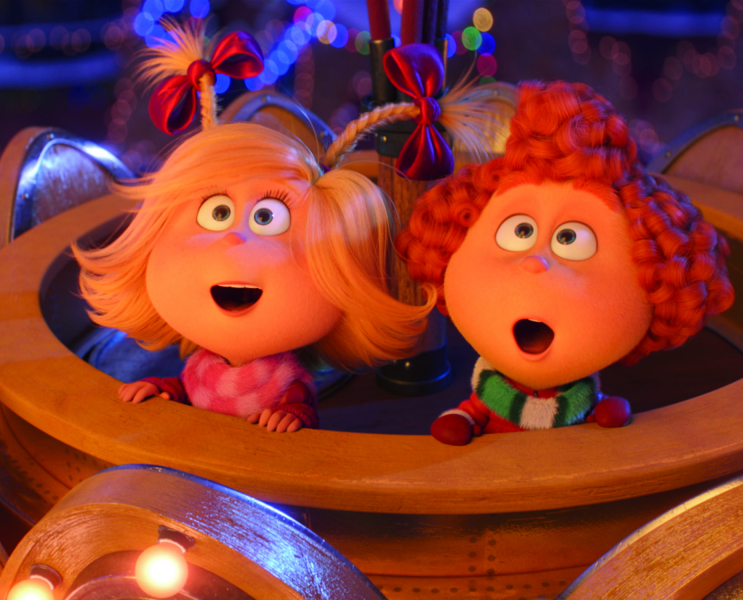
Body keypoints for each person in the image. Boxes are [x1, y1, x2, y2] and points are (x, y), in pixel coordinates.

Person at [77, 22, 507, 432]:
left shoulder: (285, 376)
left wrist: (294, 412)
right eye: (217, 214)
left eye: (267, 218)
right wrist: (164, 390)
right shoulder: (199, 365)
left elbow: (300, 406)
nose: (234, 239)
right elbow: (190, 390)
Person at [399, 80, 736, 445]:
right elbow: (475, 411)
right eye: (520, 231)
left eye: (570, 239)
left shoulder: (581, 396)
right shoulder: (490, 391)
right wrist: (465, 418)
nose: (536, 262)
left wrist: (600, 409)